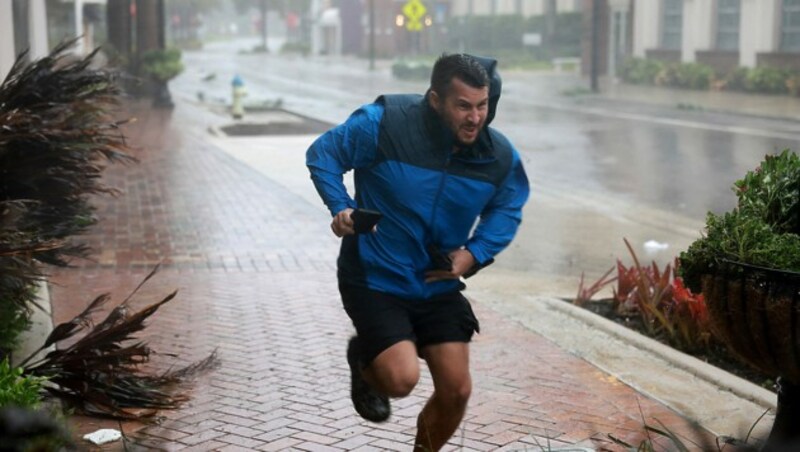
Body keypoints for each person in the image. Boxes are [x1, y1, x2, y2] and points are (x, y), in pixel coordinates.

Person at [306, 53, 530, 451]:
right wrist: (341, 206)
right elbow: (324, 154)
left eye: (483, 106)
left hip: (436, 281)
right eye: (463, 106)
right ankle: (365, 360)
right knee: (400, 380)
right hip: (376, 275)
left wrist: (474, 253)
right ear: (434, 100)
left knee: (457, 390)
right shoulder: (384, 123)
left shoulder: (497, 155)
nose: (475, 118)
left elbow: (508, 206)